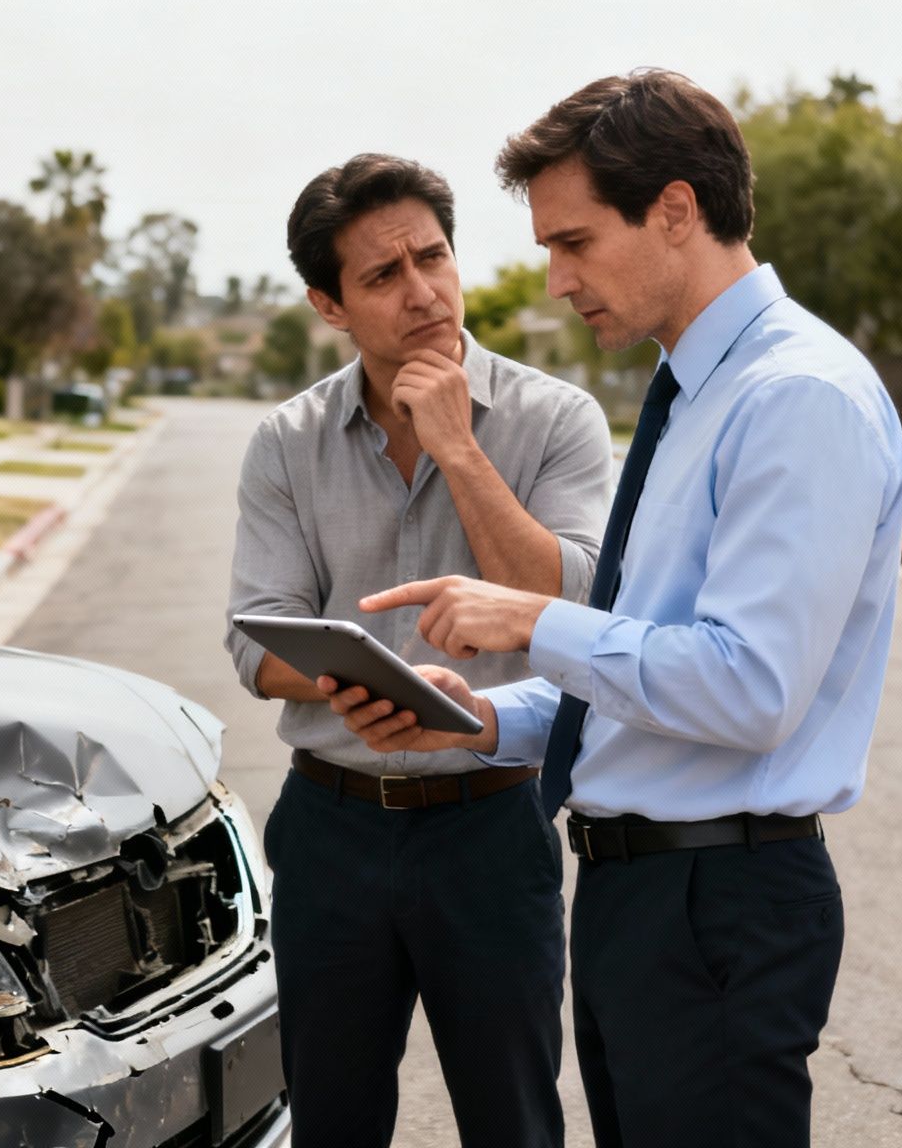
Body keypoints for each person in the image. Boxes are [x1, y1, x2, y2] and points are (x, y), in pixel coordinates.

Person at [325, 72, 902, 1147]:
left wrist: (528, 621)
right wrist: (485, 717)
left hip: (717, 899)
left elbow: (748, 687)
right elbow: (648, 660)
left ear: (675, 211)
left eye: (574, 242)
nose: (553, 280)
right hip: (640, 898)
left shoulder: (794, 398)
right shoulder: (694, 393)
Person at [225, 153, 612, 1148]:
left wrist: (456, 444)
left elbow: (564, 601)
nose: (421, 294)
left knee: (512, 1122)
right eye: (381, 277)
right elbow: (252, 637)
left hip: (490, 827)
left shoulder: (555, 420)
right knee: (332, 1121)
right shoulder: (285, 441)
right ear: (327, 304)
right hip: (330, 831)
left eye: (432, 258)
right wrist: (353, 689)